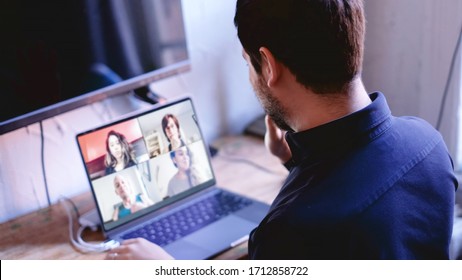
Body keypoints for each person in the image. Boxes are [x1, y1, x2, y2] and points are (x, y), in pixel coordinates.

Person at [106, 0, 458, 260]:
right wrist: (296, 162)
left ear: (269, 65)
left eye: (248, 63)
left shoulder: (291, 230)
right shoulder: (428, 143)